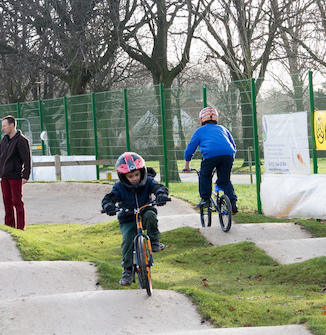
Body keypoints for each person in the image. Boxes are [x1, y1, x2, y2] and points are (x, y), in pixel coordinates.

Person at [101, 152, 170, 286]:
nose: (134, 178)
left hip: (145, 212)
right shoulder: (119, 187)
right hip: (128, 217)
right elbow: (110, 197)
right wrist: (108, 205)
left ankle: (154, 240)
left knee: (151, 216)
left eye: (137, 175)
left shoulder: (148, 181)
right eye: (130, 176)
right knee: (127, 240)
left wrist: (161, 194)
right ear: (123, 177)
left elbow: (159, 187)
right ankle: (127, 269)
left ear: (142, 172)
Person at [183, 106, 238, 214]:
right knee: (225, 180)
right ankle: (233, 203)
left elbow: (190, 150)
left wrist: (187, 165)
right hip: (228, 154)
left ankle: (205, 200)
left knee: (204, 175)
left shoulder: (200, 131)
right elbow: (233, 145)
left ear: (201, 119)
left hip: (210, 156)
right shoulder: (223, 129)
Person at [0, 115, 32, 230]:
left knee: (17, 203)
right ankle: (9, 227)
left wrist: (25, 176)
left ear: (12, 125)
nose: (3, 128)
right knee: (7, 203)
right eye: (2, 126)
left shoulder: (21, 140)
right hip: (4, 176)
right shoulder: (4, 140)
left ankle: (20, 228)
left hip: (15, 176)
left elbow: (27, 159)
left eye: (5, 126)